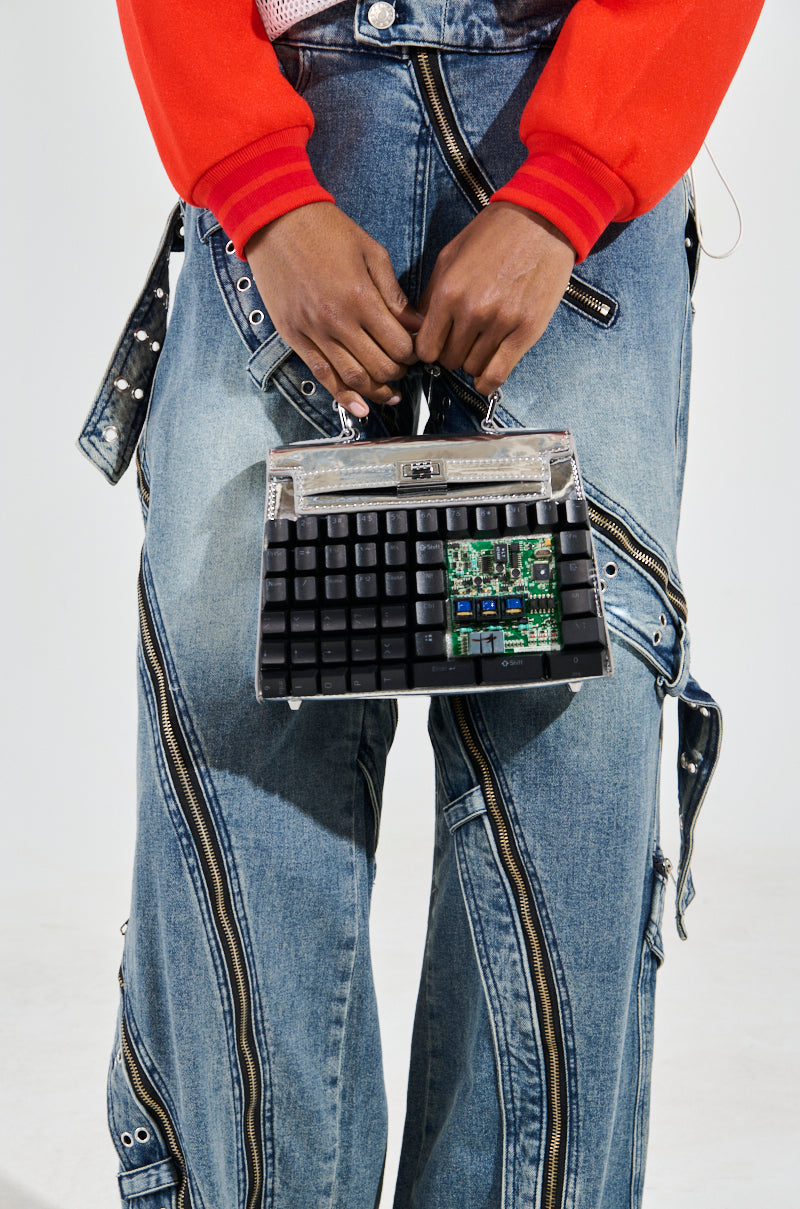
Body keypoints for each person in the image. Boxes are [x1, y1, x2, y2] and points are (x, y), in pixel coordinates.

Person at [79, 3, 762, 1207]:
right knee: (244, 772)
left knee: (564, 758)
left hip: (575, 119)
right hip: (293, 117)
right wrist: (257, 184)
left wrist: (570, 181)